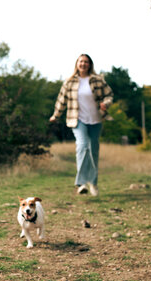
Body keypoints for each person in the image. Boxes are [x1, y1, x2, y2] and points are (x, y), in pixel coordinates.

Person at [49, 54, 113, 196]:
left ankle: (93, 183)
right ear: (77, 63)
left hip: (96, 120)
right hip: (77, 120)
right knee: (83, 146)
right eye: (81, 61)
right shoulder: (69, 82)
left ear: (90, 64)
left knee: (93, 151)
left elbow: (109, 95)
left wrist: (106, 103)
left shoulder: (97, 80)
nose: (83, 64)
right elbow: (61, 100)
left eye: (86, 62)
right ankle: (82, 183)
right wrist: (56, 115)